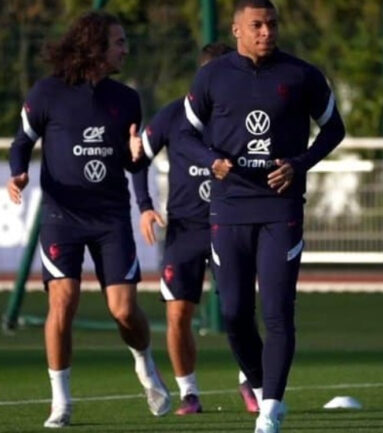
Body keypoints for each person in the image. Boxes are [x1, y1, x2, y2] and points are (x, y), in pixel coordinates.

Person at [176, 1, 345, 431]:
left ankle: (270, 409)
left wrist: (300, 163)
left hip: (280, 208)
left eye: (272, 24)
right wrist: (210, 159)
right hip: (228, 207)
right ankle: (258, 380)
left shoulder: (301, 74)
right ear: (237, 30)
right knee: (233, 312)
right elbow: (184, 133)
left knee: (277, 311)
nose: (266, 32)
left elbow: (333, 129)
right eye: (257, 25)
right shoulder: (212, 76)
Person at [6, 11, 171, 428]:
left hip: (111, 217)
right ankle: (60, 402)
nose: (125, 48)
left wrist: (145, 197)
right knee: (62, 302)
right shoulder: (47, 94)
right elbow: (22, 141)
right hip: (63, 216)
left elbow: (135, 164)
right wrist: (18, 172)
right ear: (95, 46)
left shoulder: (126, 99)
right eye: (119, 41)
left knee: (123, 310)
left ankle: (145, 364)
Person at [129, 42, 260, 416]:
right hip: (185, 229)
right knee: (178, 313)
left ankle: (249, 381)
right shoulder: (173, 116)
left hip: (231, 223)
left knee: (239, 310)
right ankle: (189, 393)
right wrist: (145, 207)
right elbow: (139, 161)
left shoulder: (244, 115)